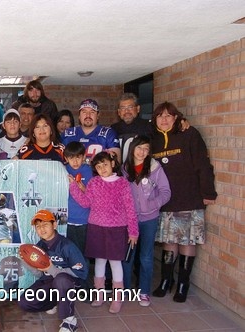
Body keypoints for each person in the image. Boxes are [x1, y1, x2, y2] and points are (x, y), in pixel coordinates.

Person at [150, 102, 217, 303]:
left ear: (176, 118)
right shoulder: (153, 140)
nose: (164, 119)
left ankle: (182, 284)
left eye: (169, 116)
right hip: (166, 201)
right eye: (160, 116)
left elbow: (203, 165)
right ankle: (166, 281)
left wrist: (208, 193)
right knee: (169, 242)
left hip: (190, 198)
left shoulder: (190, 135)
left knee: (187, 242)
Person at [70, 152, 138, 313]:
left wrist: (133, 232)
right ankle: (99, 295)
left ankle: (117, 298)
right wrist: (74, 187)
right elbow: (86, 202)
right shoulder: (94, 183)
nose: (102, 169)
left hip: (116, 229)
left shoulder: (122, 183)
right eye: (98, 167)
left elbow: (130, 208)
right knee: (99, 262)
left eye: (105, 165)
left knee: (115, 263)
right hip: (97, 228)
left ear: (112, 164)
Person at [121, 135, 171, 306]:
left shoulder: (155, 168)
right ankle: (125, 290)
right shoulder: (124, 169)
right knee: (127, 256)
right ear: (132, 149)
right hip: (129, 220)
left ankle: (144, 291)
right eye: (139, 147)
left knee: (146, 257)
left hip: (149, 218)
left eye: (146, 149)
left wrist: (153, 204)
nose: (142, 152)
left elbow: (166, 191)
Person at [18, 210, 87, 332]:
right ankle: (54, 302)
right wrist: (26, 262)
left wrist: (52, 269)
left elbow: (81, 273)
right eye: (38, 226)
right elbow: (40, 274)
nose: (41, 229)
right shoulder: (39, 246)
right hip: (50, 281)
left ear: (54, 225)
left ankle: (70, 320)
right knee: (24, 302)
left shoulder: (66, 245)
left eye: (45, 225)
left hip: (70, 282)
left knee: (61, 280)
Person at [62, 99, 121, 164]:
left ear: (98, 115)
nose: (88, 115)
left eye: (92, 112)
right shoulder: (67, 134)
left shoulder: (108, 133)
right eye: (84, 112)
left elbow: (115, 162)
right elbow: (60, 160)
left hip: (98, 173)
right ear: (79, 116)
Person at [63, 142, 93, 256]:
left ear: (84, 156)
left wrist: (84, 188)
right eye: (71, 158)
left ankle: (83, 273)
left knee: (82, 252)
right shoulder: (63, 170)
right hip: (67, 219)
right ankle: (70, 274)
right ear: (66, 158)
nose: (75, 162)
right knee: (69, 253)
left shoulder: (89, 171)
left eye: (78, 157)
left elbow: (94, 195)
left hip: (84, 219)